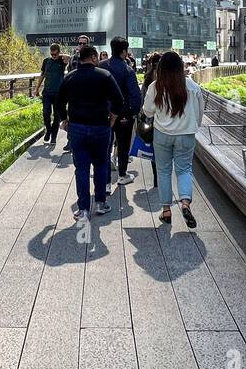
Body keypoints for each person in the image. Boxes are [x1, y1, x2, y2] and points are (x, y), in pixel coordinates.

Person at [56, 44, 124, 220]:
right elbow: (119, 99)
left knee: (82, 168)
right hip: (101, 127)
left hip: (77, 128)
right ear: (94, 58)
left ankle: (83, 209)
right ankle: (101, 203)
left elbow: (59, 101)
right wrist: (114, 117)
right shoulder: (105, 76)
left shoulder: (70, 77)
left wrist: (64, 120)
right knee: (101, 165)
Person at [143, 50, 205, 228]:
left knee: (163, 171)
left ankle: (166, 211)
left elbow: (147, 111)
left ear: (160, 68)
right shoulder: (192, 86)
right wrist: (193, 126)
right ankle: (185, 204)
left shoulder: (156, 86)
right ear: (181, 67)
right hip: (186, 134)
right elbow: (200, 112)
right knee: (184, 170)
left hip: (162, 134)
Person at [105, 36, 143, 187]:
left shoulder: (101, 66)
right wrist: (134, 112)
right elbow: (135, 94)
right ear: (124, 51)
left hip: (104, 113)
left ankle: (105, 180)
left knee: (105, 146)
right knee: (123, 144)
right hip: (124, 114)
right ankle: (122, 174)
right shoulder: (127, 70)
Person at [33, 43, 67, 145]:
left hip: (58, 93)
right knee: (46, 113)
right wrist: (37, 88)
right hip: (47, 92)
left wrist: (60, 56)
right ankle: (48, 130)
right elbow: (42, 74)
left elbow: (69, 58)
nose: (53, 56)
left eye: (55, 54)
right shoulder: (46, 61)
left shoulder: (62, 61)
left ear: (58, 53)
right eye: (52, 54)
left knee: (57, 116)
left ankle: (54, 137)